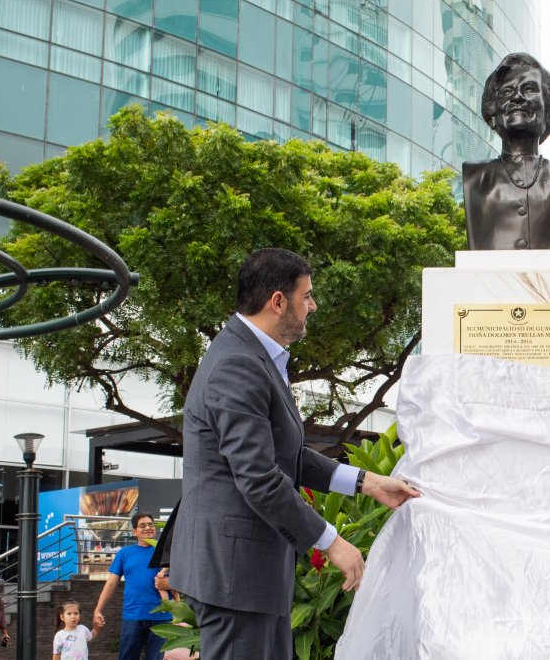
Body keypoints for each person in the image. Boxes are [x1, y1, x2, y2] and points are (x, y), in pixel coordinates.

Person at [167, 248, 420, 657]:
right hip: (236, 573)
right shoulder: (237, 363)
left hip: (247, 572)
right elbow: (258, 477)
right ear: (278, 301)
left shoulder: (252, 357)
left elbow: (291, 456)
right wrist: (331, 541)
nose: (313, 305)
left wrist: (368, 482)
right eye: (307, 295)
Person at [462, 53, 550, 250]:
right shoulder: (474, 177)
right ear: (494, 113)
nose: (517, 97)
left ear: (548, 109)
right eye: (507, 92)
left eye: (529, 89)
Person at [93, 513, 170, 660]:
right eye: (142, 525)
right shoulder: (124, 553)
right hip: (133, 616)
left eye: (150, 524)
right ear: (134, 532)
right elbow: (111, 584)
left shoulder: (166, 552)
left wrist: (167, 584)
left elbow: (182, 580)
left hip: (161, 617)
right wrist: (98, 609)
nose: (148, 527)